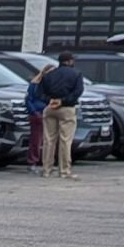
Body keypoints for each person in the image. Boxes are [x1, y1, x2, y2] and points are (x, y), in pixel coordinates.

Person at [40, 50, 85, 179]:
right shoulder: (76, 74)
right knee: (65, 140)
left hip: (50, 107)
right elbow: (78, 92)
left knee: (49, 140)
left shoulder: (49, 74)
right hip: (67, 108)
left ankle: (46, 170)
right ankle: (64, 170)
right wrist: (63, 101)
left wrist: (50, 100)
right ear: (69, 61)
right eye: (72, 60)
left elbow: (40, 92)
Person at [24, 63, 52, 170]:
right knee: (36, 140)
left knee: (49, 140)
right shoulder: (35, 84)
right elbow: (28, 99)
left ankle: (47, 162)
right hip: (38, 114)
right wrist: (34, 112)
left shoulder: (53, 85)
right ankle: (32, 162)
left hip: (50, 114)